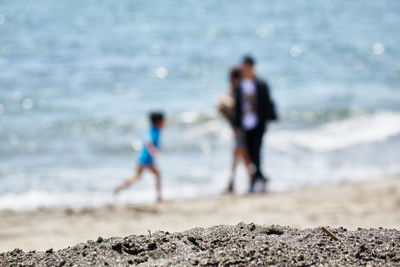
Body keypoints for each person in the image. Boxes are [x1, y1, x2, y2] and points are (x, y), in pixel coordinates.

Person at [232, 55, 277, 193]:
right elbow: (237, 108)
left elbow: (267, 103)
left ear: (252, 67)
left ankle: (256, 179)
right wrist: (236, 126)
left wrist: (266, 119)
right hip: (244, 125)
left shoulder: (261, 84)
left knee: (256, 151)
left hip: (258, 124)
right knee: (249, 153)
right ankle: (258, 177)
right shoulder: (239, 86)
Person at [114, 112, 165, 202]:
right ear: (158, 121)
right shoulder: (155, 131)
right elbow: (148, 143)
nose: (164, 123)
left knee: (137, 177)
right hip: (146, 158)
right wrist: (154, 151)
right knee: (157, 175)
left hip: (142, 157)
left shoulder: (150, 129)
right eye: (163, 121)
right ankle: (159, 197)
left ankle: (121, 186)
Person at [218, 67, 253, 193]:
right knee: (242, 156)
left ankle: (235, 182)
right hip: (238, 129)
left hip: (239, 129)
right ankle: (250, 179)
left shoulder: (238, 89)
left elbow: (239, 110)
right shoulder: (237, 89)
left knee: (240, 155)